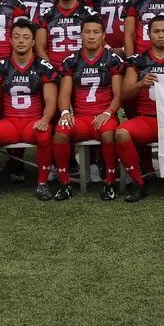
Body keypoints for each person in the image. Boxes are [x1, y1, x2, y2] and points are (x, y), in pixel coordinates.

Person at [0, 20, 58, 201]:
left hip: (32, 121)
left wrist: (45, 119)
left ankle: (42, 183)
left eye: (26, 37)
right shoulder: (1, 67)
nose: (21, 41)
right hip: (10, 123)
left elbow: (51, 100)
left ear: (33, 42)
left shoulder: (42, 66)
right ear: (11, 41)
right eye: (17, 37)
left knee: (44, 133)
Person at [117, 15, 164, 200]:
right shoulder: (137, 61)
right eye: (156, 31)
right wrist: (140, 84)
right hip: (147, 118)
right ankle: (139, 182)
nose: (161, 35)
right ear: (149, 34)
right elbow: (124, 95)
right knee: (121, 133)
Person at [52, 15, 127, 201]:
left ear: (103, 36)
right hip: (82, 118)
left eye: (95, 32)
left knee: (109, 133)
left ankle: (109, 182)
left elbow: (119, 94)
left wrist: (108, 112)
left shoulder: (113, 60)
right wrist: (65, 112)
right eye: (87, 32)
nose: (91, 36)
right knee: (60, 131)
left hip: (104, 115)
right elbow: (64, 94)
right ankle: (64, 183)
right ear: (81, 35)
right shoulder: (72, 60)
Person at [40, 0, 92, 64]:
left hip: (80, 68)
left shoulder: (88, 14)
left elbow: (95, 45)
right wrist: (50, 69)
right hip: (55, 69)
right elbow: (40, 48)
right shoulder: (46, 15)